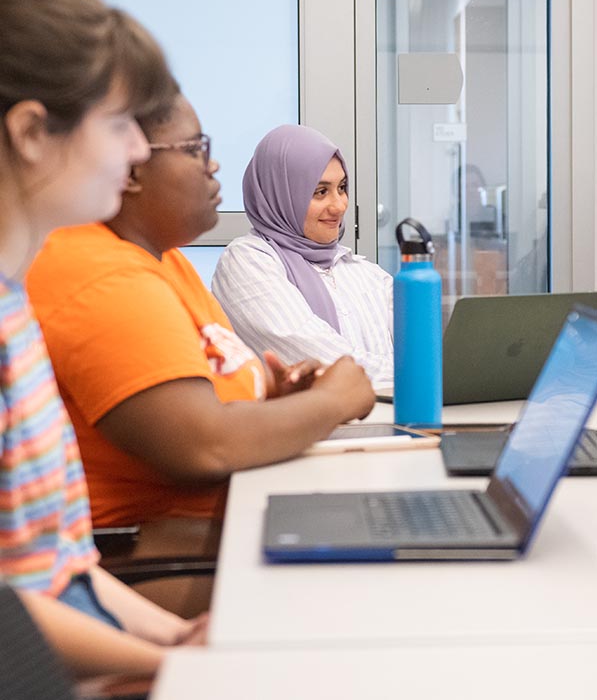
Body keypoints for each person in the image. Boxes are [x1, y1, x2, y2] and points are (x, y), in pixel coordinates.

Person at [26, 92, 375, 532]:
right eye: (194, 150)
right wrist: (331, 402)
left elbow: (207, 388)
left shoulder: (163, 258)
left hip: (233, 511)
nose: (212, 167)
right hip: (166, 547)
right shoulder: (100, 274)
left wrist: (272, 394)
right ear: (131, 168)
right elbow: (205, 445)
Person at [0, 0, 206, 679]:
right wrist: (168, 664)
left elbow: (60, 567)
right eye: (119, 123)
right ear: (32, 132)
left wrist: (175, 643)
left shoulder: (13, 303)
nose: (141, 151)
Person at [211, 124, 394, 390]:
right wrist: (415, 376)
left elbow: (424, 353)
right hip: (304, 429)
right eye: (321, 192)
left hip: (390, 425)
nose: (339, 205)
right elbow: (321, 361)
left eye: (342, 187)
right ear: (279, 195)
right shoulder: (248, 261)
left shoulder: (364, 272)